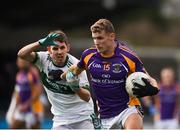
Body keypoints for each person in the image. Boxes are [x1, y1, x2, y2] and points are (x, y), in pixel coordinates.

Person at [61, 19, 159, 129]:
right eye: (94, 38)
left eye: (100, 38)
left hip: (128, 109)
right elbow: (75, 69)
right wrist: (61, 76)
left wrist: (154, 89)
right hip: (104, 115)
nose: (96, 42)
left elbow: (150, 79)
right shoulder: (88, 55)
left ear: (112, 36)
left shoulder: (128, 56)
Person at [17, 30, 94, 129]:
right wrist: (40, 43)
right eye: (55, 48)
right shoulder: (43, 59)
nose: (59, 52)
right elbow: (21, 54)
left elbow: (87, 97)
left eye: (62, 48)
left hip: (83, 117)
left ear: (68, 48)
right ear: (49, 49)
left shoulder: (76, 66)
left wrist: (75, 87)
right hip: (61, 119)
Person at [6, 57, 44, 129]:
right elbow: (18, 92)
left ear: (28, 62)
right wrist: (15, 108)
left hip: (33, 108)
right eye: (18, 61)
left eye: (22, 61)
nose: (19, 63)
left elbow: (38, 91)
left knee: (35, 127)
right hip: (22, 108)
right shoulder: (19, 74)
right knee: (13, 126)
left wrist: (27, 105)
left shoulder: (33, 72)